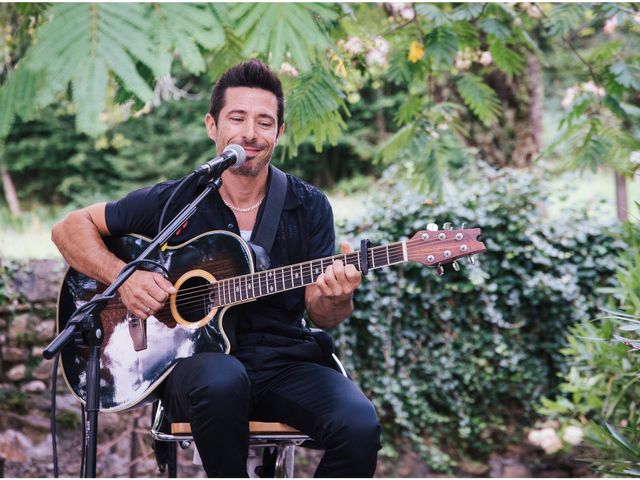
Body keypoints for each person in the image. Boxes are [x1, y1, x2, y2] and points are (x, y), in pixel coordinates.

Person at [51, 59, 381, 477]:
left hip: (285, 362)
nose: (250, 133)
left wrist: (338, 295)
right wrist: (127, 276)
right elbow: (69, 228)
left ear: (279, 133)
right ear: (213, 126)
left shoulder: (308, 205)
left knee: (359, 426)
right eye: (237, 118)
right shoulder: (177, 201)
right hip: (196, 366)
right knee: (221, 378)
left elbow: (322, 313)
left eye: (264, 122)